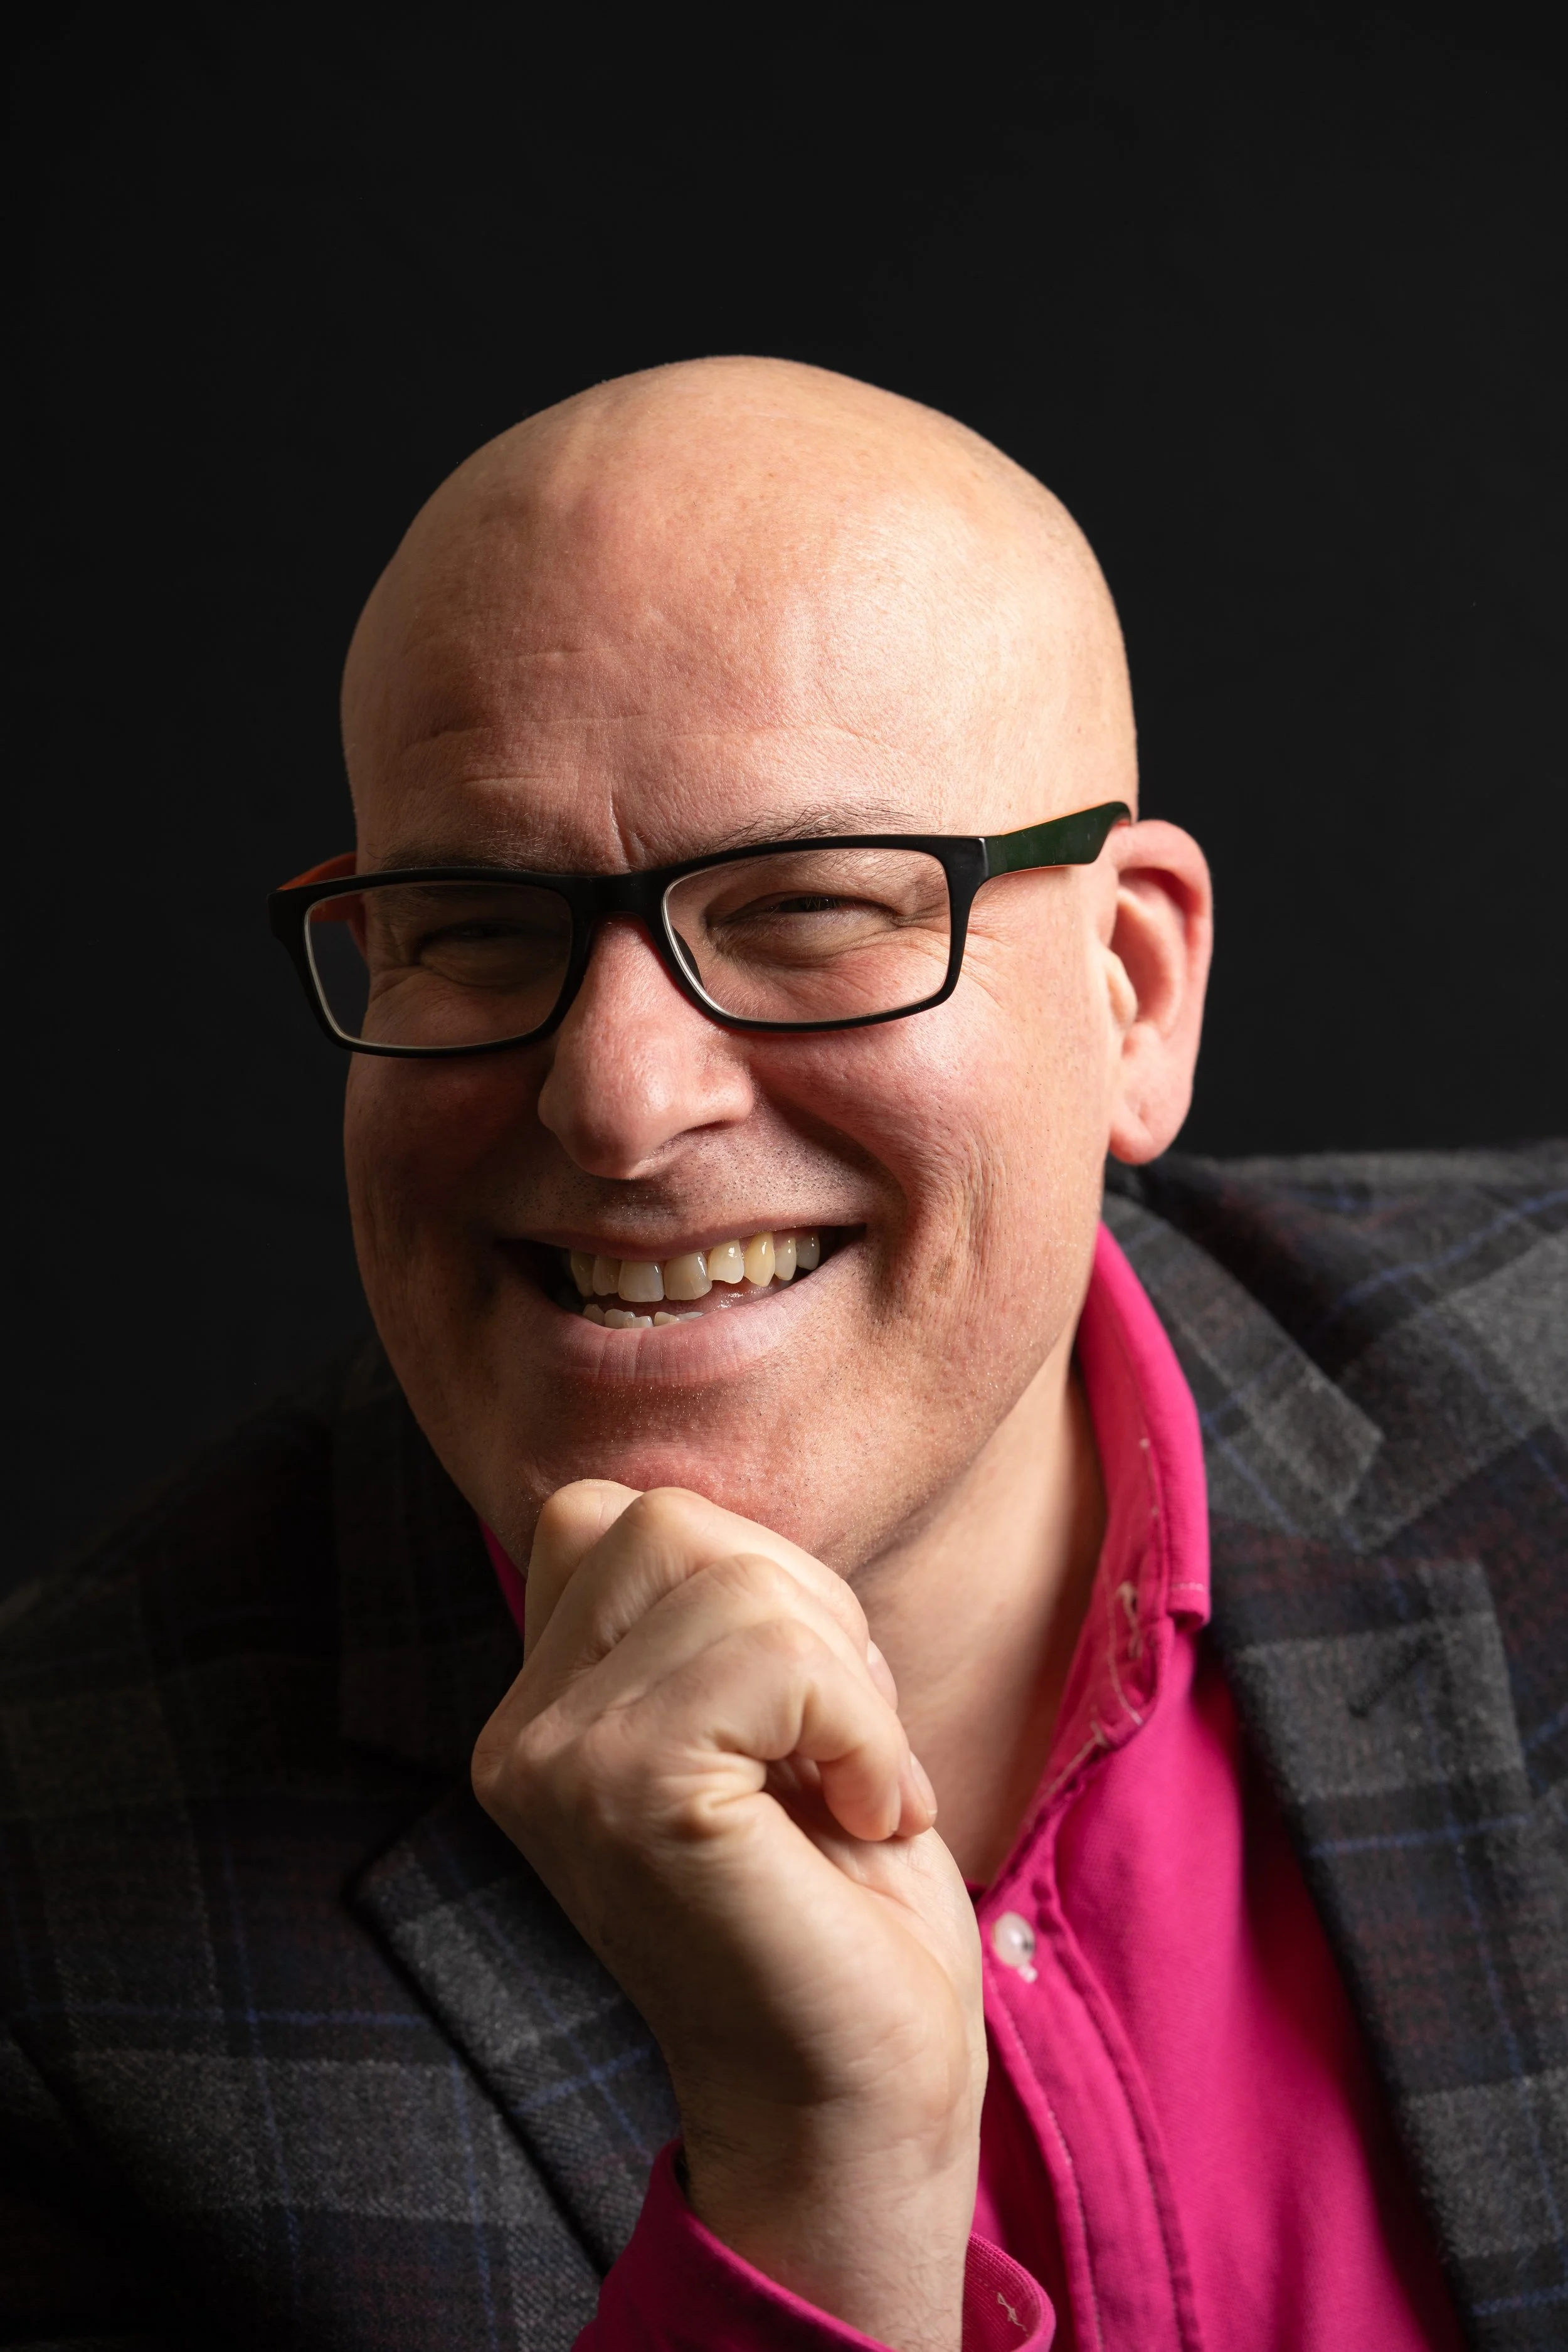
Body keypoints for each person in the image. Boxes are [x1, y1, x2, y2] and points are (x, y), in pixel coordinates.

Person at [1, 359, 1561, 2352]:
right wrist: (809, 2204)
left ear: (1133, 991)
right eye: (472, 924)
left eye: (811, 905)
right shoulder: (49, 1934)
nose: (617, 1100)